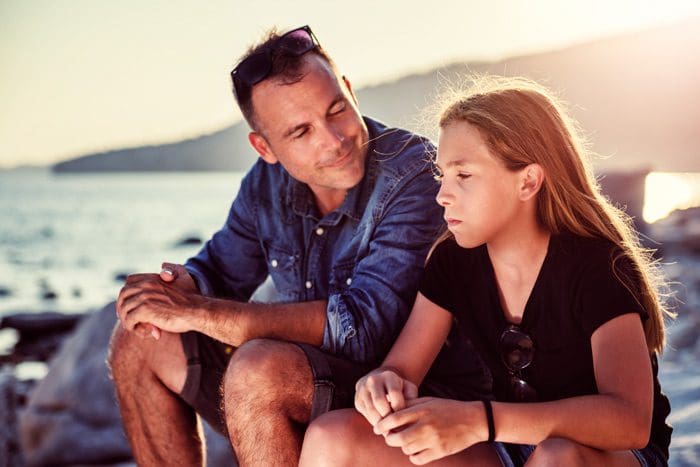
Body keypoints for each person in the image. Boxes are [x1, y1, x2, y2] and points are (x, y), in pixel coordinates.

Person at [108, 25, 471, 466]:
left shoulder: (414, 174)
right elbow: (220, 272)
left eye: (336, 110)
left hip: (396, 393)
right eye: (300, 132)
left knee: (258, 369)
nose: (333, 140)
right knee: (140, 338)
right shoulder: (267, 184)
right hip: (305, 379)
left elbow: (363, 327)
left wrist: (201, 312)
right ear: (265, 147)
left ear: (351, 92)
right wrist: (179, 287)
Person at [299, 76, 673, 467]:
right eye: (442, 175)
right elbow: (402, 369)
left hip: (610, 454)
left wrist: (480, 421)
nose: (442, 194)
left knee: (557, 456)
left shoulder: (599, 266)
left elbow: (630, 422)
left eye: (463, 175)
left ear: (528, 181)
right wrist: (381, 384)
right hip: (505, 445)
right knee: (332, 436)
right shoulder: (453, 261)